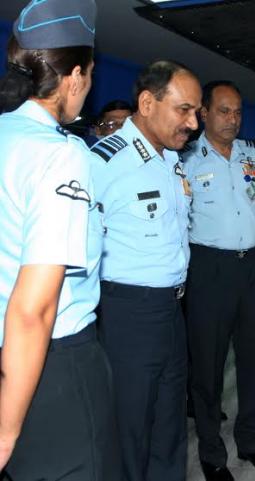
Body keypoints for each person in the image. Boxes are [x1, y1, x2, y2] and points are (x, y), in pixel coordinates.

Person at [0, 0, 121, 479]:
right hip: (52, 367)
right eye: (89, 75)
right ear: (74, 77)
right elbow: (35, 309)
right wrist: (6, 430)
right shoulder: (61, 154)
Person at [90, 60, 202, 481]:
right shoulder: (104, 162)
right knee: (129, 430)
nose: (193, 123)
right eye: (184, 110)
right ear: (147, 103)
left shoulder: (171, 159)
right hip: (128, 313)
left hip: (173, 309)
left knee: (170, 425)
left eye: (196, 112)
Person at [183, 80, 255, 481]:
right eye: (224, 111)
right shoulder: (186, 159)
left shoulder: (254, 157)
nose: (233, 119)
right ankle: (211, 452)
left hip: (254, 264)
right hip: (210, 268)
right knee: (208, 365)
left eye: (238, 112)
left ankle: (251, 441)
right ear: (204, 113)